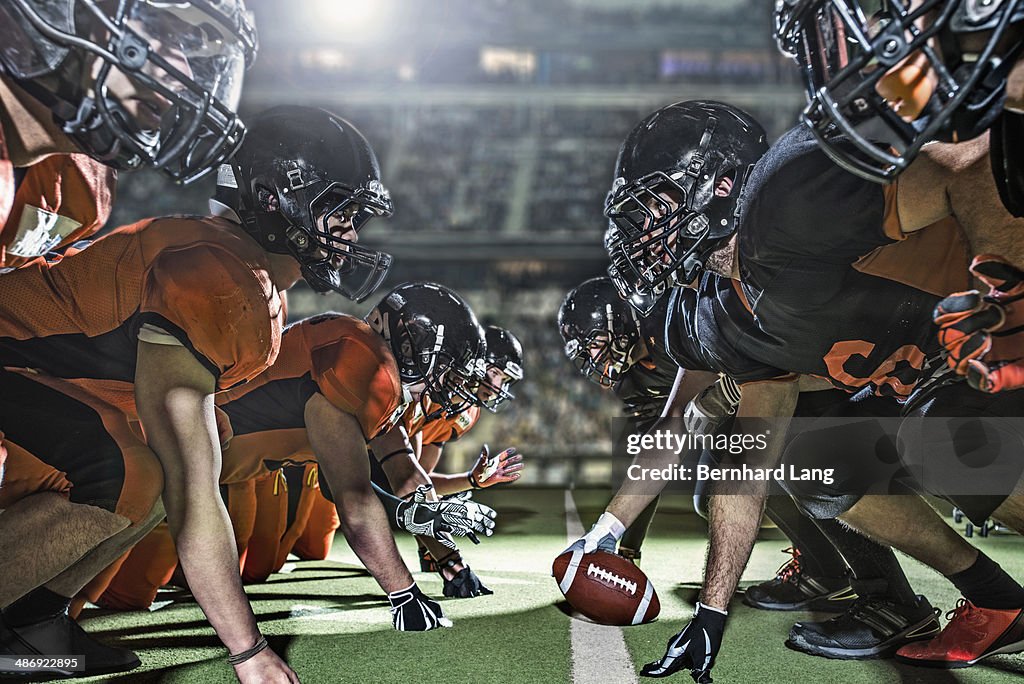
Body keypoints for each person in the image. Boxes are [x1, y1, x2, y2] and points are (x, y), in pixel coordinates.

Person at [597, 99, 1024, 677]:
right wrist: (711, 611)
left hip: (997, 340)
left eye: (657, 205)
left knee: (942, 436)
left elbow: (971, 167)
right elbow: (745, 465)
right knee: (815, 461)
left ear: (722, 186)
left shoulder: (787, 203)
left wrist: (1008, 309)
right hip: (934, 375)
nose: (641, 232)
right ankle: (996, 597)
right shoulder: (719, 312)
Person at [0, 105, 395, 681]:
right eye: (338, 210)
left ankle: (33, 623)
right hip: (12, 354)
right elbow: (194, 492)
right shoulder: (220, 276)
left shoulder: (248, 278)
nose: (350, 232)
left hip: (36, 369)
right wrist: (250, 652)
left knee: (151, 463)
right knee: (133, 468)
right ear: (270, 199)